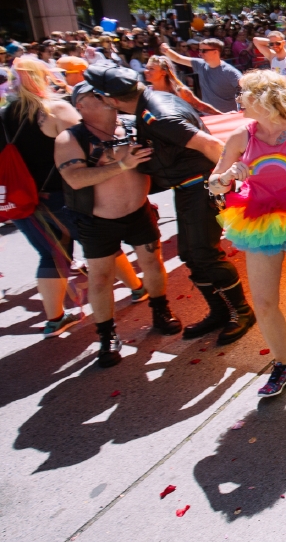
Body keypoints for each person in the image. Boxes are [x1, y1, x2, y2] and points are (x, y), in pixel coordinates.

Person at [84, 62, 255, 344]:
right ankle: (221, 311)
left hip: (199, 189)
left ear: (111, 99)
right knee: (191, 254)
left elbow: (211, 146)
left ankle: (242, 312)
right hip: (187, 190)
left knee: (203, 253)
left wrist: (229, 186)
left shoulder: (158, 115)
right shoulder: (149, 103)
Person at [209, 71, 286, 396]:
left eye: (245, 95)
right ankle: (283, 364)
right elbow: (213, 184)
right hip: (258, 220)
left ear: (264, 98)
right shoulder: (242, 135)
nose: (239, 102)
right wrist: (226, 177)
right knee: (264, 303)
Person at [55, 83, 180, 367]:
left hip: (139, 212)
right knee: (101, 278)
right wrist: (121, 165)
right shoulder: (70, 139)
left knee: (153, 262)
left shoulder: (132, 124)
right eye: (94, 96)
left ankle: (161, 312)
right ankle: (107, 335)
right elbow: (74, 178)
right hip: (97, 220)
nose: (104, 97)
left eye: (103, 92)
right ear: (80, 106)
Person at [4, 57, 85, 336]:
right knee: (101, 243)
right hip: (61, 194)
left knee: (50, 255)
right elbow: (86, 140)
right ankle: (138, 288)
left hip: (23, 197)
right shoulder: (55, 109)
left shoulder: (5, 114)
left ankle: (55, 320)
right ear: (43, 76)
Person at [159, 37, 243, 112]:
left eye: (204, 51)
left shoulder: (229, 72)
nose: (200, 53)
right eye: (200, 50)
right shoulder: (200, 64)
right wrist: (167, 50)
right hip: (208, 116)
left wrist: (242, 108)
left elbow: (246, 87)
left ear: (215, 52)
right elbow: (178, 58)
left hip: (228, 117)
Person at [145, 56, 219, 116]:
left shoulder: (180, 91)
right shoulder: (146, 93)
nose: (146, 71)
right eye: (147, 68)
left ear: (163, 72)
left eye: (151, 69)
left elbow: (200, 106)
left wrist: (223, 115)